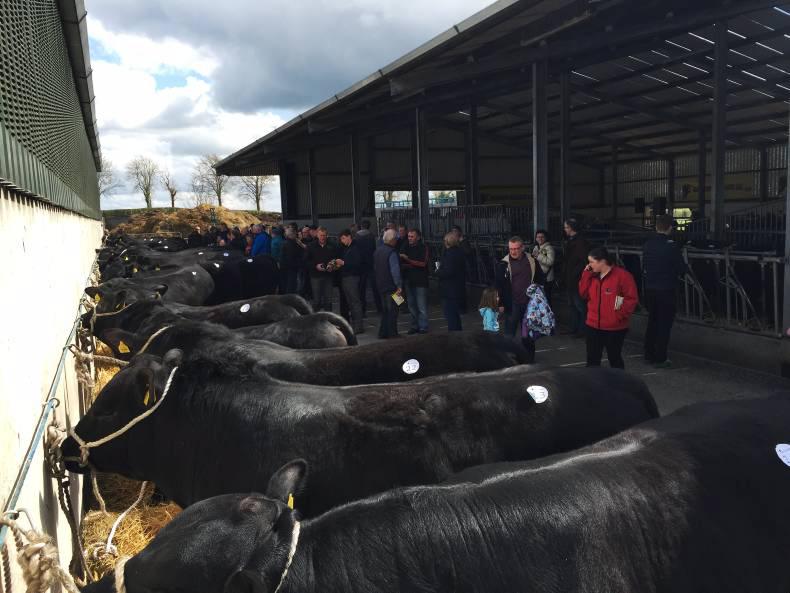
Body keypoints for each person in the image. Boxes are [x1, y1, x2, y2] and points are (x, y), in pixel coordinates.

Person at [579, 246, 638, 369]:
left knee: (614, 358)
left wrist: (619, 316)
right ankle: (593, 380)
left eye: (591, 262)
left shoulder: (623, 276)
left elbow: (631, 299)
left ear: (602, 261)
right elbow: (583, 294)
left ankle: (619, 380)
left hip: (614, 327)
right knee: (592, 359)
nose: (589, 265)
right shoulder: (592, 275)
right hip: (593, 325)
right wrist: (586, 274)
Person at [643, 214, 687, 368]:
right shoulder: (672, 246)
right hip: (666, 289)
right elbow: (681, 268)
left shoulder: (648, 244)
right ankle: (660, 357)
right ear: (670, 228)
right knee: (664, 324)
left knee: (652, 321)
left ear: (656, 227)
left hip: (650, 288)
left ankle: (648, 353)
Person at [495, 235, 539, 363]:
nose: (513, 251)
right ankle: (508, 359)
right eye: (511, 249)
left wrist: (538, 296)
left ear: (522, 248)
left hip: (529, 304)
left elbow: (540, 278)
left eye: (516, 248)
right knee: (509, 334)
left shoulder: (532, 261)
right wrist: (500, 303)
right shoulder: (503, 264)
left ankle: (529, 359)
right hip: (512, 303)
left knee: (528, 335)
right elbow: (498, 285)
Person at [562, 218, 591, 337]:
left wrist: (574, 275)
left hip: (576, 279)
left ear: (571, 228)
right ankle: (574, 328)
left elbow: (583, 261)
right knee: (573, 305)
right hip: (571, 278)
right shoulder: (572, 240)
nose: (565, 229)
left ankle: (581, 329)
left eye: (566, 227)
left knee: (579, 305)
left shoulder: (580, 242)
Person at [399, 228, 430, 334]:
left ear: (418, 237)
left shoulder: (423, 247)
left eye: (412, 236)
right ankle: (414, 325)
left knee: (421, 306)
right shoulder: (405, 246)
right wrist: (409, 264)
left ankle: (423, 326)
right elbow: (400, 261)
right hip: (408, 280)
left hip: (420, 281)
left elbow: (423, 263)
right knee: (411, 305)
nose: (410, 238)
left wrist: (408, 260)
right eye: (409, 236)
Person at [374, 229, 402, 339]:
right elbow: (395, 271)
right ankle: (392, 333)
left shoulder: (378, 251)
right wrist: (399, 285)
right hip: (392, 286)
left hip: (381, 284)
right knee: (393, 310)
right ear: (393, 240)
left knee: (385, 310)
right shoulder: (392, 252)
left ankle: (383, 332)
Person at [336, 229, 365, 334]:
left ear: (349, 236)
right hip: (346, 277)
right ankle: (355, 325)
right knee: (351, 303)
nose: (342, 241)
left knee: (355, 302)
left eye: (343, 238)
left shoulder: (355, 247)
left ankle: (358, 326)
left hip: (352, 278)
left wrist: (343, 263)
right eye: (341, 239)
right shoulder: (347, 248)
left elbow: (357, 263)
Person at [437, 232, 467, 331]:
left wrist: (438, 271)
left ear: (447, 241)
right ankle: (457, 333)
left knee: (450, 314)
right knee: (454, 315)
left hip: (449, 289)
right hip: (457, 287)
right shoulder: (459, 252)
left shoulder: (450, 254)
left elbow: (448, 271)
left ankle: (454, 335)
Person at [305, 227, 336, 311]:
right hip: (315, 276)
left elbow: (336, 258)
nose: (323, 237)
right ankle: (316, 318)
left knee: (328, 300)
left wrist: (332, 266)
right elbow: (306, 261)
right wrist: (315, 266)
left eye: (324, 235)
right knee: (317, 300)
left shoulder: (332, 245)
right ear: (317, 235)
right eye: (321, 235)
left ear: (327, 235)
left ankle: (328, 317)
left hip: (328, 275)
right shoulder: (311, 246)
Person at [355, 220, 381, 315]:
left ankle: (362, 310)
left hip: (361, 266)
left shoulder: (357, 236)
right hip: (371, 265)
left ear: (361, 226)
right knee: (375, 288)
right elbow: (375, 250)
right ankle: (380, 308)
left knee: (361, 289)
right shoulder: (371, 236)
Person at [532, 229, 555, 304]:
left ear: (546, 238)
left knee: (547, 298)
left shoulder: (548, 248)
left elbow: (550, 262)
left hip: (546, 278)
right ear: (536, 238)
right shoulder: (536, 247)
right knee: (539, 298)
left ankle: (548, 311)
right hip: (538, 277)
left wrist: (538, 256)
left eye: (542, 237)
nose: (540, 238)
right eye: (538, 237)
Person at [279, 227, 302, 294]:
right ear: (291, 235)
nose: (296, 235)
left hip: (286, 268)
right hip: (291, 268)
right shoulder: (291, 244)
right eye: (295, 234)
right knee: (291, 286)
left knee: (286, 284)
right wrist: (298, 264)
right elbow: (291, 258)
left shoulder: (286, 242)